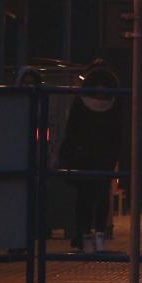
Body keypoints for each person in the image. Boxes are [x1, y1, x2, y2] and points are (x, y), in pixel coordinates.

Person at [58, 59, 122, 251]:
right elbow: (119, 131)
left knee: (84, 196)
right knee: (101, 195)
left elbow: (71, 130)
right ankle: (99, 237)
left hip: (83, 155)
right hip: (104, 156)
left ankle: (84, 236)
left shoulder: (80, 101)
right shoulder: (116, 101)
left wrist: (68, 153)